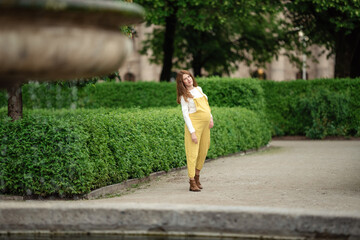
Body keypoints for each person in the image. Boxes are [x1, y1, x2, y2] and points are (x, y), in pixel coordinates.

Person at [176, 70, 214, 192]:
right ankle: (192, 181)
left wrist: (211, 118)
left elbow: (207, 106)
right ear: (182, 83)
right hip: (194, 126)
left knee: (203, 150)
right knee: (193, 153)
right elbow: (185, 114)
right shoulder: (184, 96)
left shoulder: (199, 89)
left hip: (205, 126)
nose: (188, 80)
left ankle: (197, 176)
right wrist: (192, 132)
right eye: (185, 79)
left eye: (189, 77)